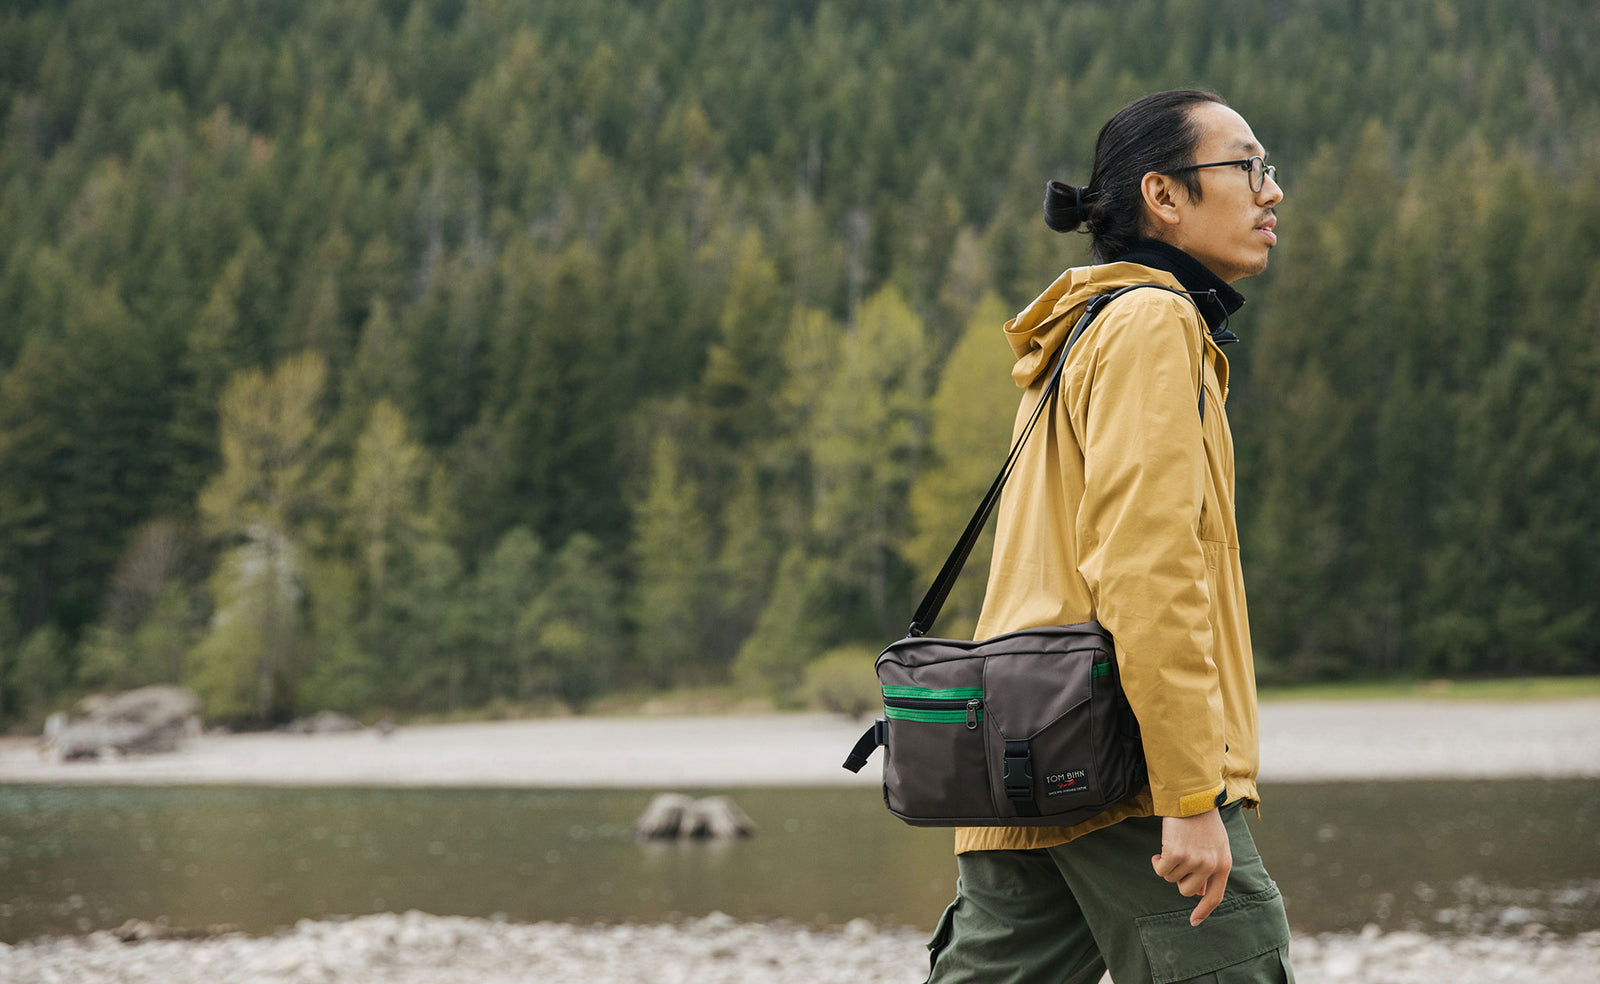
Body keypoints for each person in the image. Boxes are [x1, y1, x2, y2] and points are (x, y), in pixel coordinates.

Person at [923, 90, 1293, 984]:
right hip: (1124, 764)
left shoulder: (1083, 331)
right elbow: (1146, 568)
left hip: (1027, 758)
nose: (1271, 191)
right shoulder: (1151, 322)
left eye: (1267, 169)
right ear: (1164, 196)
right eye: (1245, 167)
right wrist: (1189, 794)